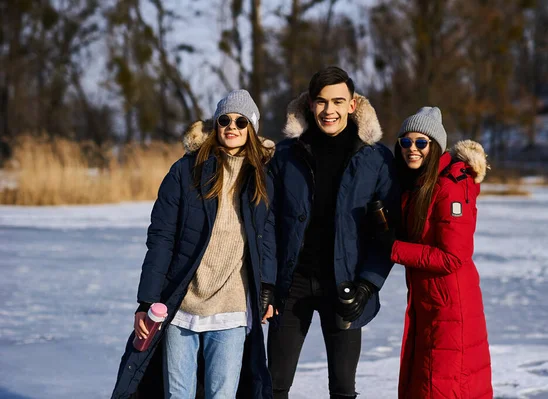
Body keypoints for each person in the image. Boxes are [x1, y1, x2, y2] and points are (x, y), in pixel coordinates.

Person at [111, 90, 277, 399]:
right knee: (179, 395)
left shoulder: (262, 177)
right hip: (181, 305)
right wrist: (146, 302)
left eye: (241, 122)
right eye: (224, 120)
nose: (232, 127)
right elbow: (161, 239)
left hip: (232, 307)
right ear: (215, 125)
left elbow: (267, 237)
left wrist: (267, 287)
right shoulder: (185, 171)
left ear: (251, 128)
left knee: (222, 395)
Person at [265, 66, 397, 399]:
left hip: (345, 284)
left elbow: (387, 234)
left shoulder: (377, 159)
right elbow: (266, 223)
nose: (329, 111)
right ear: (310, 104)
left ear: (353, 105)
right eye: (322, 102)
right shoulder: (285, 156)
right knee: (274, 384)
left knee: (342, 387)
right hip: (291, 284)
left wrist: (368, 284)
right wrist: (267, 282)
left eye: (338, 101)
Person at [373, 107, 493, 398]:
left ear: (435, 145)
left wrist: (393, 247)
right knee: (425, 384)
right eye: (405, 142)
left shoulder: (451, 186)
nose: (412, 149)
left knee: (443, 387)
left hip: (450, 305)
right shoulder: (417, 185)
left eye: (421, 143)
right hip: (429, 302)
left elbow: (453, 257)